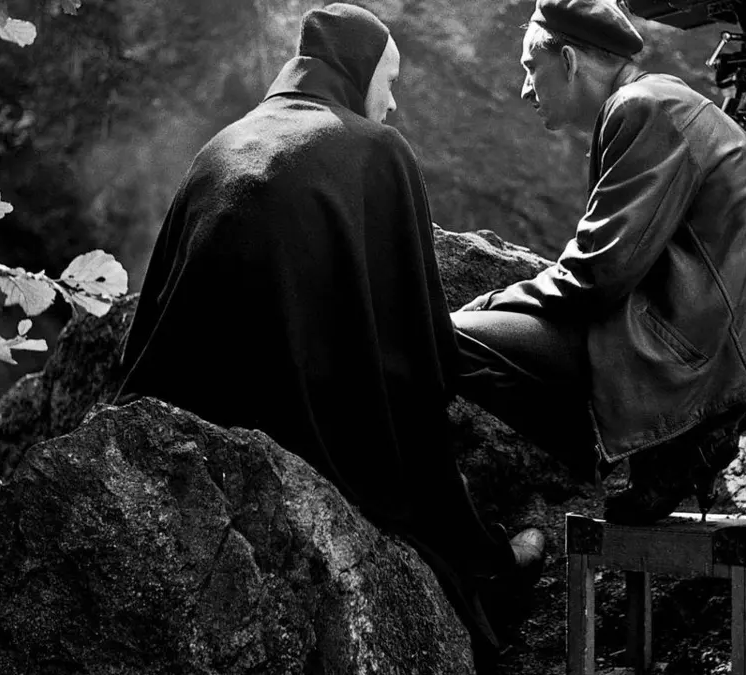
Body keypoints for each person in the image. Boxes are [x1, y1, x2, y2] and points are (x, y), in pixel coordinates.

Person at [113, 3, 540, 659]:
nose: (391, 103)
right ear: (356, 71)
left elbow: (149, 331)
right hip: (311, 445)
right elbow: (416, 344)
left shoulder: (220, 147)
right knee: (412, 417)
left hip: (183, 433)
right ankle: (487, 565)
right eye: (387, 81)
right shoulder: (376, 150)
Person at [454, 0, 746, 525]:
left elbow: (597, 274)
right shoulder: (658, 99)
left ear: (569, 61)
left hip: (688, 350)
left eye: (531, 68)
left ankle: (659, 442)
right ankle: (667, 449)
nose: (525, 90)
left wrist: (494, 301)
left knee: (443, 337)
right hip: (705, 340)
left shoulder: (641, 108)